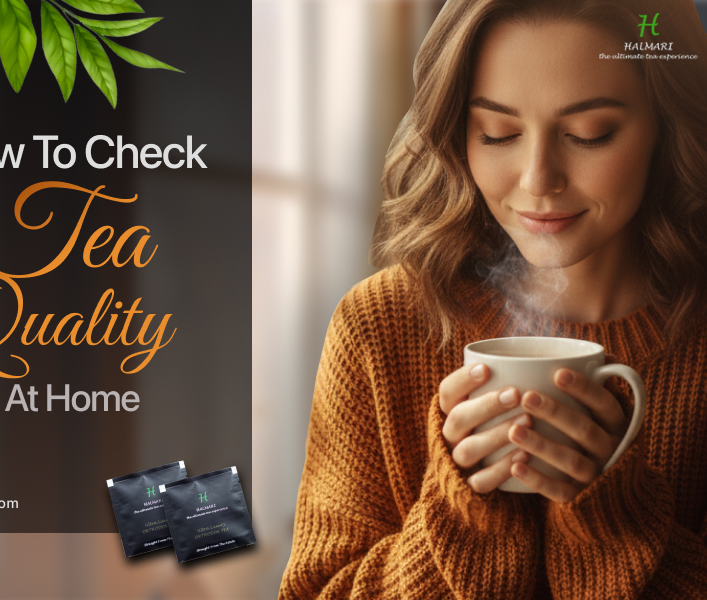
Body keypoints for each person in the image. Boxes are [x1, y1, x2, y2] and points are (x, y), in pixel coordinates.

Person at [278, 0, 707, 598]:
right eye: (498, 133)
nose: (537, 180)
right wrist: (462, 518)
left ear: (668, 122)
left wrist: (617, 522)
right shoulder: (382, 327)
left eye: (590, 134)